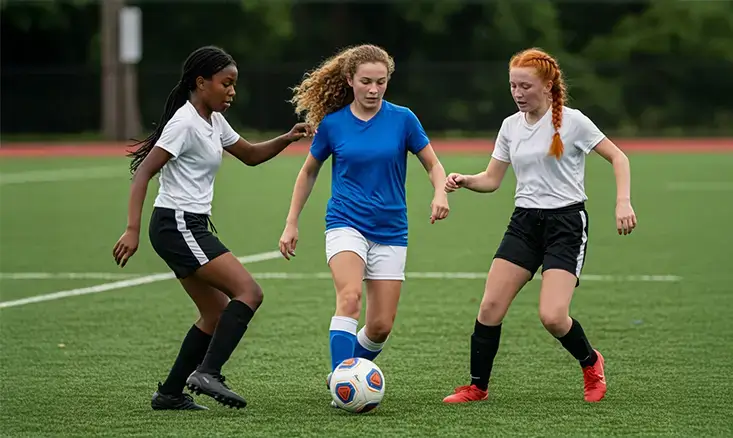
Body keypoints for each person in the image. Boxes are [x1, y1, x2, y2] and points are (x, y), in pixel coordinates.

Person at [112, 45, 311, 411]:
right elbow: (143, 172)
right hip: (177, 224)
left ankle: (170, 393)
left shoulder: (213, 121)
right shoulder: (185, 123)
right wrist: (131, 229)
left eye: (234, 84)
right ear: (201, 83)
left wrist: (287, 137)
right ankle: (208, 372)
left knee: (215, 313)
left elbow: (250, 155)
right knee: (249, 292)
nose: (232, 91)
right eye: (226, 83)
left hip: (186, 226)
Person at [441, 47, 637, 404]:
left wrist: (622, 201)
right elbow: (492, 179)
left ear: (548, 86)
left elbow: (618, 157)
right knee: (490, 307)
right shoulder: (510, 126)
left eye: (525, 86)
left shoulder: (573, 122)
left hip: (566, 225)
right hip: (524, 223)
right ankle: (477, 387)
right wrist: (466, 180)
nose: (517, 94)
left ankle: (591, 362)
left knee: (553, 316)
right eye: (513, 86)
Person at [278, 44, 450, 400]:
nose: (373, 89)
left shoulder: (403, 119)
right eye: (366, 82)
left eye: (381, 82)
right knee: (350, 297)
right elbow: (308, 172)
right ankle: (342, 388)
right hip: (345, 222)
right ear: (350, 80)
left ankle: (343, 375)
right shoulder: (333, 125)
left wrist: (440, 193)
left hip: (391, 229)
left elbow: (433, 164)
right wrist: (291, 222)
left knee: (381, 326)